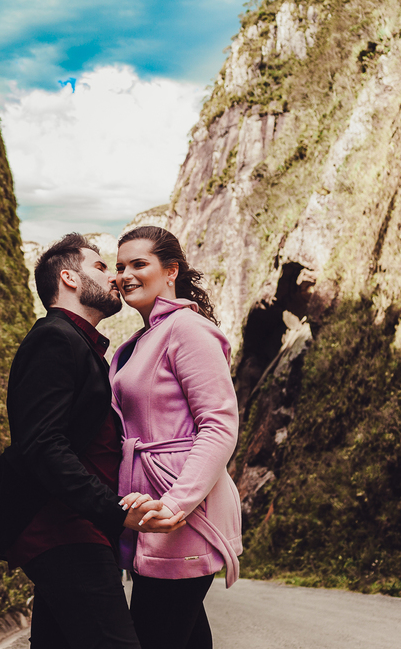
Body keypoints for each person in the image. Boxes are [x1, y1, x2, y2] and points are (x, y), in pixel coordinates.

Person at [0, 233, 184, 649]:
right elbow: (42, 445)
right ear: (68, 278)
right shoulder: (56, 338)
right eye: (102, 267)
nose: (116, 278)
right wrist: (114, 511)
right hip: (63, 527)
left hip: (77, 525)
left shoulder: (81, 345)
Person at [110, 226, 242, 649]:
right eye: (118, 267)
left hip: (182, 511)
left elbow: (219, 424)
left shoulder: (187, 329)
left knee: (153, 635)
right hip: (152, 511)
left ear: (171, 271)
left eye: (138, 264)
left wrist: (176, 503)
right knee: (182, 637)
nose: (124, 274)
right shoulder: (140, 340)